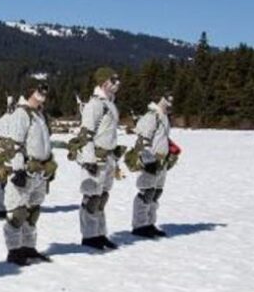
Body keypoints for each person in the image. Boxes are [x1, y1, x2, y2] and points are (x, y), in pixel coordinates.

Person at [0, 80, 56, 265]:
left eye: (45, 90)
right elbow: (15, 144)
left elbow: (45, 142)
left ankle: (28, 247)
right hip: (25, 169)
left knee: (33, 212)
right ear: (30, 91)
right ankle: (14, 251)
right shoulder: (21, 114)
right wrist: (17, 170)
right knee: (18, 212)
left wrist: (50, 163)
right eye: (40, 90)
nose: (43, 93)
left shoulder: (39, 114)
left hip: (40, 171)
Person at [75, 67, 123, 250]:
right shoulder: (95, 104)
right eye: (114, 80)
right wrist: (89, 160)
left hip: (108, 158)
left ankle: (100, 234)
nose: (117, 83)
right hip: (96, 157)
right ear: (104, 82)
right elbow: (86, 134)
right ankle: (89, 237)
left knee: (102, 198)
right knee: (91, 198)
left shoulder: (110, 103)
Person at [130, 91, 177, 238]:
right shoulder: (151, 116)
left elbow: (161, 138)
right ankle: (139, 225)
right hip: (151, 160)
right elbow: (142, 140)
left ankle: (149, 223)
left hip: (162, 161)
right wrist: (147, 160)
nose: (170, 101)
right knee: (146, 192)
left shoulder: (164, 117)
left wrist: (171, 151)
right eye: (167, 98)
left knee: (156, 193)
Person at [0, 95, 18, 219]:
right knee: (3, 182)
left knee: (6, 182)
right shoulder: (9, 119)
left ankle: (6, 207)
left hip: (7, 153)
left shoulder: (4, 119)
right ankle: (2, 208)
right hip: (5, 154)